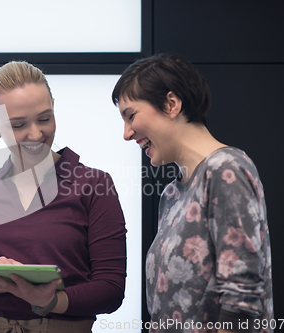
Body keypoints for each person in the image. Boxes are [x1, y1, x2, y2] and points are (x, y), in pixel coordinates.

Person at [0, 61, 127, 332]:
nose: (36, 134)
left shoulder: (94, 185)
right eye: (18, 125)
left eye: (44, 119)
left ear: (53, 106)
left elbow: (111, 290)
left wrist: (50, 301)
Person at [112, 54, 273, 333]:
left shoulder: (225, 169)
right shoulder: (172, 194)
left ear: (171, 104)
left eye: (131, 115)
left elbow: (242, 295)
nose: (126, 134)